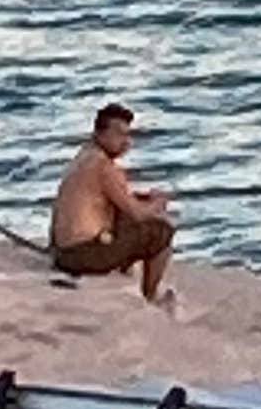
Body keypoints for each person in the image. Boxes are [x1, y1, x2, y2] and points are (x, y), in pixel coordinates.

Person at [48, 102, 178, 305]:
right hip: (81, 254)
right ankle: (150, 296)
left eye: (128, 135)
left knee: (126, 215)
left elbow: (112, 198)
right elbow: (136, 213)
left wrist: (143, 199)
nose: (126, 142)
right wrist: (158, 203)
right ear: (100, 133)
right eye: (119, 134)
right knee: (162, 230)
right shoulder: (104, 167)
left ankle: (124, 270)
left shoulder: (84, 156)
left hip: (61, 253)